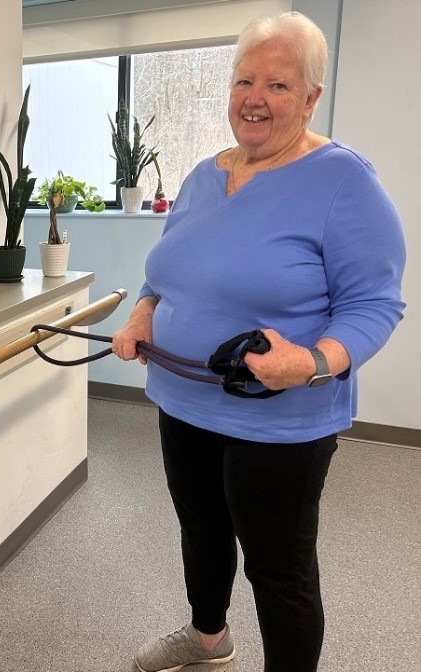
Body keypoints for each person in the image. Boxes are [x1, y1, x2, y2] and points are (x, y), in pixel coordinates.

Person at [111, 12, 405, 672]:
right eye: (244, 80)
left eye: (277, 84)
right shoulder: (200, 176)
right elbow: (162, 277)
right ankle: (208, 642)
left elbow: (375, 305)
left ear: (309, 98)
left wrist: (310, 362)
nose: (254, 97)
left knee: (278, 569)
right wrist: (139, 320)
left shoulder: (343, 181)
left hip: (281, 423)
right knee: (202, 531)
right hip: (182, 404)